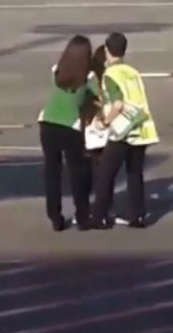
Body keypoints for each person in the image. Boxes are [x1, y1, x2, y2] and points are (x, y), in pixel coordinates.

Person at [90, 32, 160, 229]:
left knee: (106, 173)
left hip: (123, 131)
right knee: (134, 173)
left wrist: (104, 122)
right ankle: (138, 216)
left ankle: (99, 216)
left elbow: (118, 103)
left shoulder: (110, 74)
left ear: (106, 50)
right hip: (142, 127)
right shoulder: (132, 71)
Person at [38, 35, 96, 231]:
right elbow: (99, 96)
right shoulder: (87, 78)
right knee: (77, 172)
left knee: (52, 172)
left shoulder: (57, 71)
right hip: (70, 127)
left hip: (47, 123)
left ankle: (55, 216)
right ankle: (82, 216)